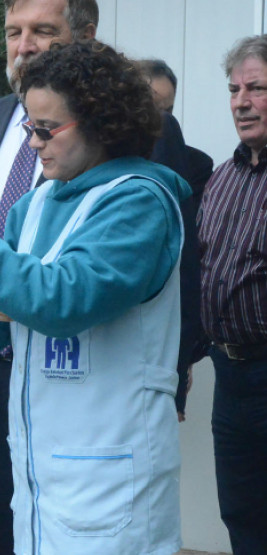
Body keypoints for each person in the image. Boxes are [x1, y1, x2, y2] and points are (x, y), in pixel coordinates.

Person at [0, 40, 187, 554]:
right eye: (30, 125)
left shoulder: (139, 201)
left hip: (114, 476)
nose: (33, 142)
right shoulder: (34, 205)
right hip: (42, 476)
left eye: (47, 129)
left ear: (102, 122)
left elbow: (61, 300)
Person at [197, 34, 267, 554]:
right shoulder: (223, 178)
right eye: (234, 89)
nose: (241, 101)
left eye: (257, 88)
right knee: (240, 507)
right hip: (229, 374)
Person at [137, 57, 214, 420]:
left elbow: (184, 264)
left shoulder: (194, 168)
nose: (162, 123)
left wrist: (180, 361)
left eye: (167, 111)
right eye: (152, 109)